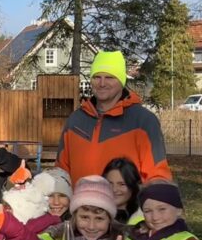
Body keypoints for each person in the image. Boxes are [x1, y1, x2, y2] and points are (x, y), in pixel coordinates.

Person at [56, 51, 172, 184]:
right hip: (80, 197)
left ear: (121, 81)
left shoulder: (143, 122)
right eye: (97, 77)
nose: (102, 83)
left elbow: (158, 176)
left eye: (109, 77)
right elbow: (61, 172)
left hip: (125, 199)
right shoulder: (75, 120)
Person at [104, 158, 143, 225]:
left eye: (122, 184)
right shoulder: (94, 212)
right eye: (110, 183)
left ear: (133, 186)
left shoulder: (144, 216)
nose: (114, 189)